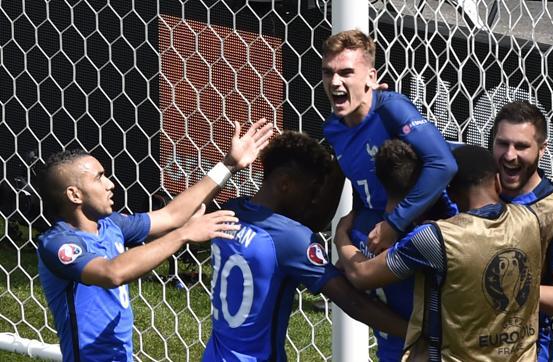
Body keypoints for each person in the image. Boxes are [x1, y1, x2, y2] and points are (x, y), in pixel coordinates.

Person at [36, 120, 273, 362]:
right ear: (74, 194)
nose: (110, 184)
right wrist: (183, 234)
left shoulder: (111, 225)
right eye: (99, 178)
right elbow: (111, 273)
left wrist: (228, 165)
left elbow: (171, 216)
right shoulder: (58, 245)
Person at [202, 131, 408, 362]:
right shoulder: (292, 239)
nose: (314, 200)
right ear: (285, 185)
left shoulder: (231, 211)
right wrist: (418, 331)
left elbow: (310, 221)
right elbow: (353, 301)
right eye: (312, 192)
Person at [335, 141, 543, 361]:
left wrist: (340, 233)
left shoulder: (436, 237)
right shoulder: (529, 219)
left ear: (448, 192)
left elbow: (361, 275)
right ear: (498, 182)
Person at [321, 29, 457, 360]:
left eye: (346, 73)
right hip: (381, 239)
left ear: (371, 77)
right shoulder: (333, 129)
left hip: (423, 240)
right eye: (328, 73)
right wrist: (353, 230)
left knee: (432, 341)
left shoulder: (392, 109)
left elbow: (443, 165)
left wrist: (394, 223)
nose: (335, 82)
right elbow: (363, 186)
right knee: (394, 338)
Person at [491, 101, 553, 362]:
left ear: (542, 150)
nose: (509, 155)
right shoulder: (471, 189)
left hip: (527, 352)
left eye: (521, 146)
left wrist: (496, 287)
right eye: (502, 143)